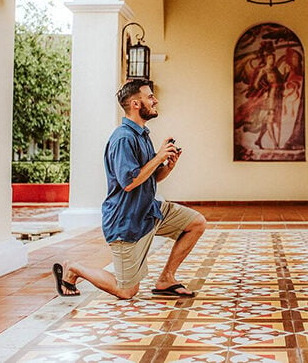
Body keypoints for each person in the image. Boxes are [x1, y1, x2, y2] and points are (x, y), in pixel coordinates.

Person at [52, 78, 207, 299]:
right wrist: (159, 157)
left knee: (196, 223)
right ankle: (74, 268)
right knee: (127, 291)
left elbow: (149, 177)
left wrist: (167, 166)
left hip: (148, 210)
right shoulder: (123, 138)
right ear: (135, 104)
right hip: (126, 221)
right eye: (150, 97)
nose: (155, 100)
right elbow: (129, 182)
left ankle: (166, 279)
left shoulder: (141, 135)